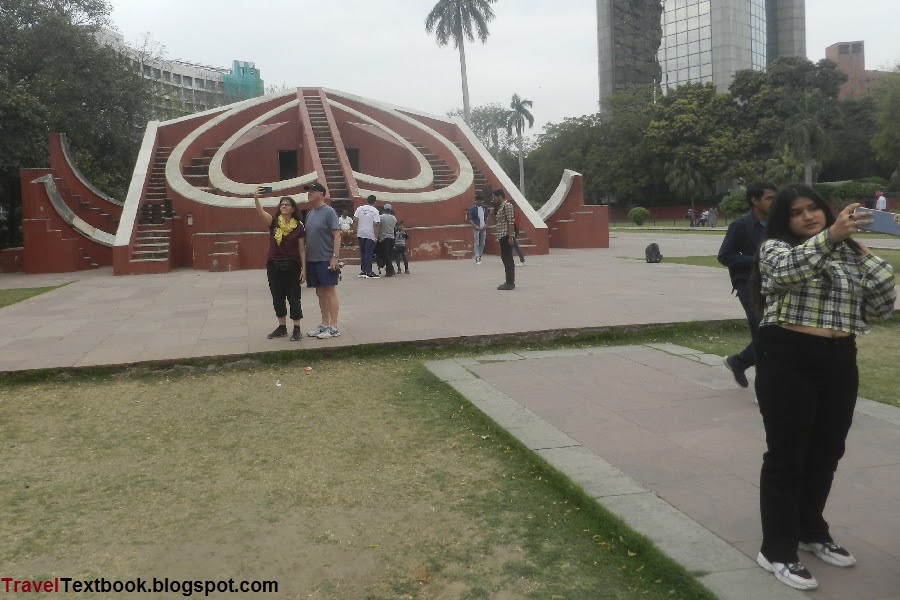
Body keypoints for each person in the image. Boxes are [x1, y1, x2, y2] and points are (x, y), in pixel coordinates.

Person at [750, 184, 895, 591]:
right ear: (785, 220)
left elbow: (882, 305)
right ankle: (776, 549)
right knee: (787, 454)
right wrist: (830, 238)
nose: (809, 216)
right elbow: (785, 272)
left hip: (838, 357)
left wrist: (860, 249)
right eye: (797, 212)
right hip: (788, 355)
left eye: (814, 208)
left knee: (827, 449)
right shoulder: (775, 249)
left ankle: (810, 530)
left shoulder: (847, 253)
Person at [717, 183, 776, 388]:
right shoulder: (741, 225)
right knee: (762, 333)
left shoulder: (777, 225)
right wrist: (757, 260)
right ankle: (766, 387)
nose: (773, 202)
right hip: (748, 285)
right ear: (755, 200)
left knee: (775, 332)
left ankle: (738, 362)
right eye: (769, 198)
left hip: (776, 284)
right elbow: (725, 256)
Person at [254, 190, 306, 341]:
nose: (284, 206)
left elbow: (302, 249)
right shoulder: (274, 222)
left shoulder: (299, 226)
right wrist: (256, 199)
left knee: (294, 296)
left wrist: (304, 269)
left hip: (293, 265)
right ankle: (282, 327)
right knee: (277, 296)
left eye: (287, 204)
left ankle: (297, 328)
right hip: (274, 264)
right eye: (282, 204)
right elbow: (261, 213)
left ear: (293, 209)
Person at [303, 182, 343, 339]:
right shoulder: (310, 213)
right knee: (320, 292)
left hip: (326, 259)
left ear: (321, 193)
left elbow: (337, 235)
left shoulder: (329, 212)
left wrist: (335, 257)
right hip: (312, 259)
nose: (309, 193)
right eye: (308, 191)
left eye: (312, 191)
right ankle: (324, 324)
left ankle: (333, 327)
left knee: (329, 290)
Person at [493, 188, 516, 290]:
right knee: (505, 258)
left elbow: (510, 222)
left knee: (508, 259)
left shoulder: (507, 206)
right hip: (502, 235)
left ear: (500, 197)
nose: (494, 199)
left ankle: (510, 282)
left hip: (506, 235)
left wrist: (510, 236)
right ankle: (509, 281)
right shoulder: (500, 207)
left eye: (495, 197)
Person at [354, 195, 380, 278]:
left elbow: (355, 220)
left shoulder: (359, 208)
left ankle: (363, 270)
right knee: (368, 253)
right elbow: (376, 224)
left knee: (362, 252)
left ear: (367, 201)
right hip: (370, 234)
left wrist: (355, 231)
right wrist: (376, 236)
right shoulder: (375, 211)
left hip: (360, 233)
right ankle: (369, 271)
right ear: (375, 202)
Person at [376, 203, 397, 277]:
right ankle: (391, 269)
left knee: (385, 254)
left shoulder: (381, 217)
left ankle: (390, 270)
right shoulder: (394, 218)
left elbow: (377, 226)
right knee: (389, 254)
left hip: (383, 238)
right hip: (391, 237)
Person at [468, 194, 487, 264]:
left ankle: (479, 254)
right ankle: (477, 256)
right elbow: (470, 219)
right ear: (476, 201)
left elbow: (486, 217)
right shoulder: (472, 208)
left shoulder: (484, 208)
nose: (481, 202)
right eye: (479, 201)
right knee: (477, 241)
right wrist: (474, 226)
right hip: (476, 226)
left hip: (483, 226)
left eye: (481, 201)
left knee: (482, 243)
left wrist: (486, 224)